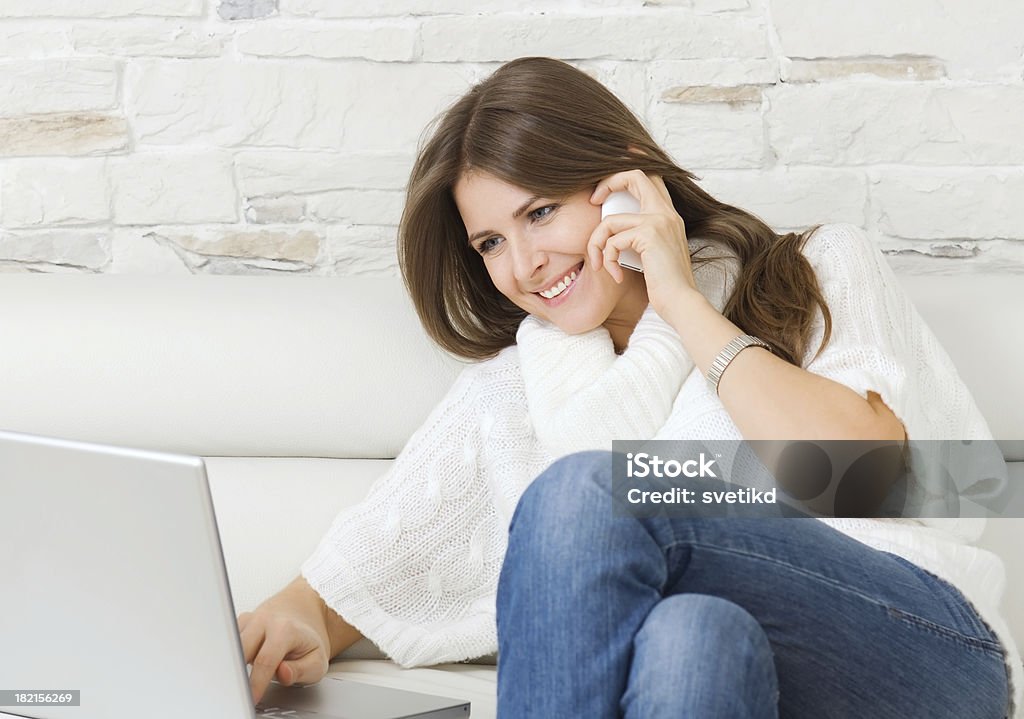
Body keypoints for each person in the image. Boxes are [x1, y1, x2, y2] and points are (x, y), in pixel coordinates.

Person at [237, 57, 1018, 717]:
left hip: (920, 647)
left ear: (624, 183)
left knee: (588, 488)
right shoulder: (510, 396)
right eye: (491, 242)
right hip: (737, 670)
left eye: (540, 211)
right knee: (691, 639)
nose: (525, 263)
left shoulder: (815, 269)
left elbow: (878, 475)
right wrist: (292, 616)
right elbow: (359, 573)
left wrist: (682, 302)